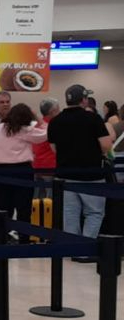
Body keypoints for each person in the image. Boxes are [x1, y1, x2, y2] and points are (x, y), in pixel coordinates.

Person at [48, 84, 111, 245]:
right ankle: (86, 247)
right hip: (92, 175)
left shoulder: (55, 121)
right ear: (84, 100)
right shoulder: (93, 119)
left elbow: (54, 148)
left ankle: (73, 247)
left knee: (70, 213)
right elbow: (105, 145)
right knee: (94, 213)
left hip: (65, 174)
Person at [0, 103, 48, 234]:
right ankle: (23, 238)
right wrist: (38, 119)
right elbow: (46, 133)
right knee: (23, 207)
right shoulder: (24, 130)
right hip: (21, 170)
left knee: (1, 205)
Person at [33, 98, 59, 196]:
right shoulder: (54, 127)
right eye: (58, 110)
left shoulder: (36, 126)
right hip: (50, 166)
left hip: (37, 166)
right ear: (53, 111)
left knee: (37, 198)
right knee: (50, 199)